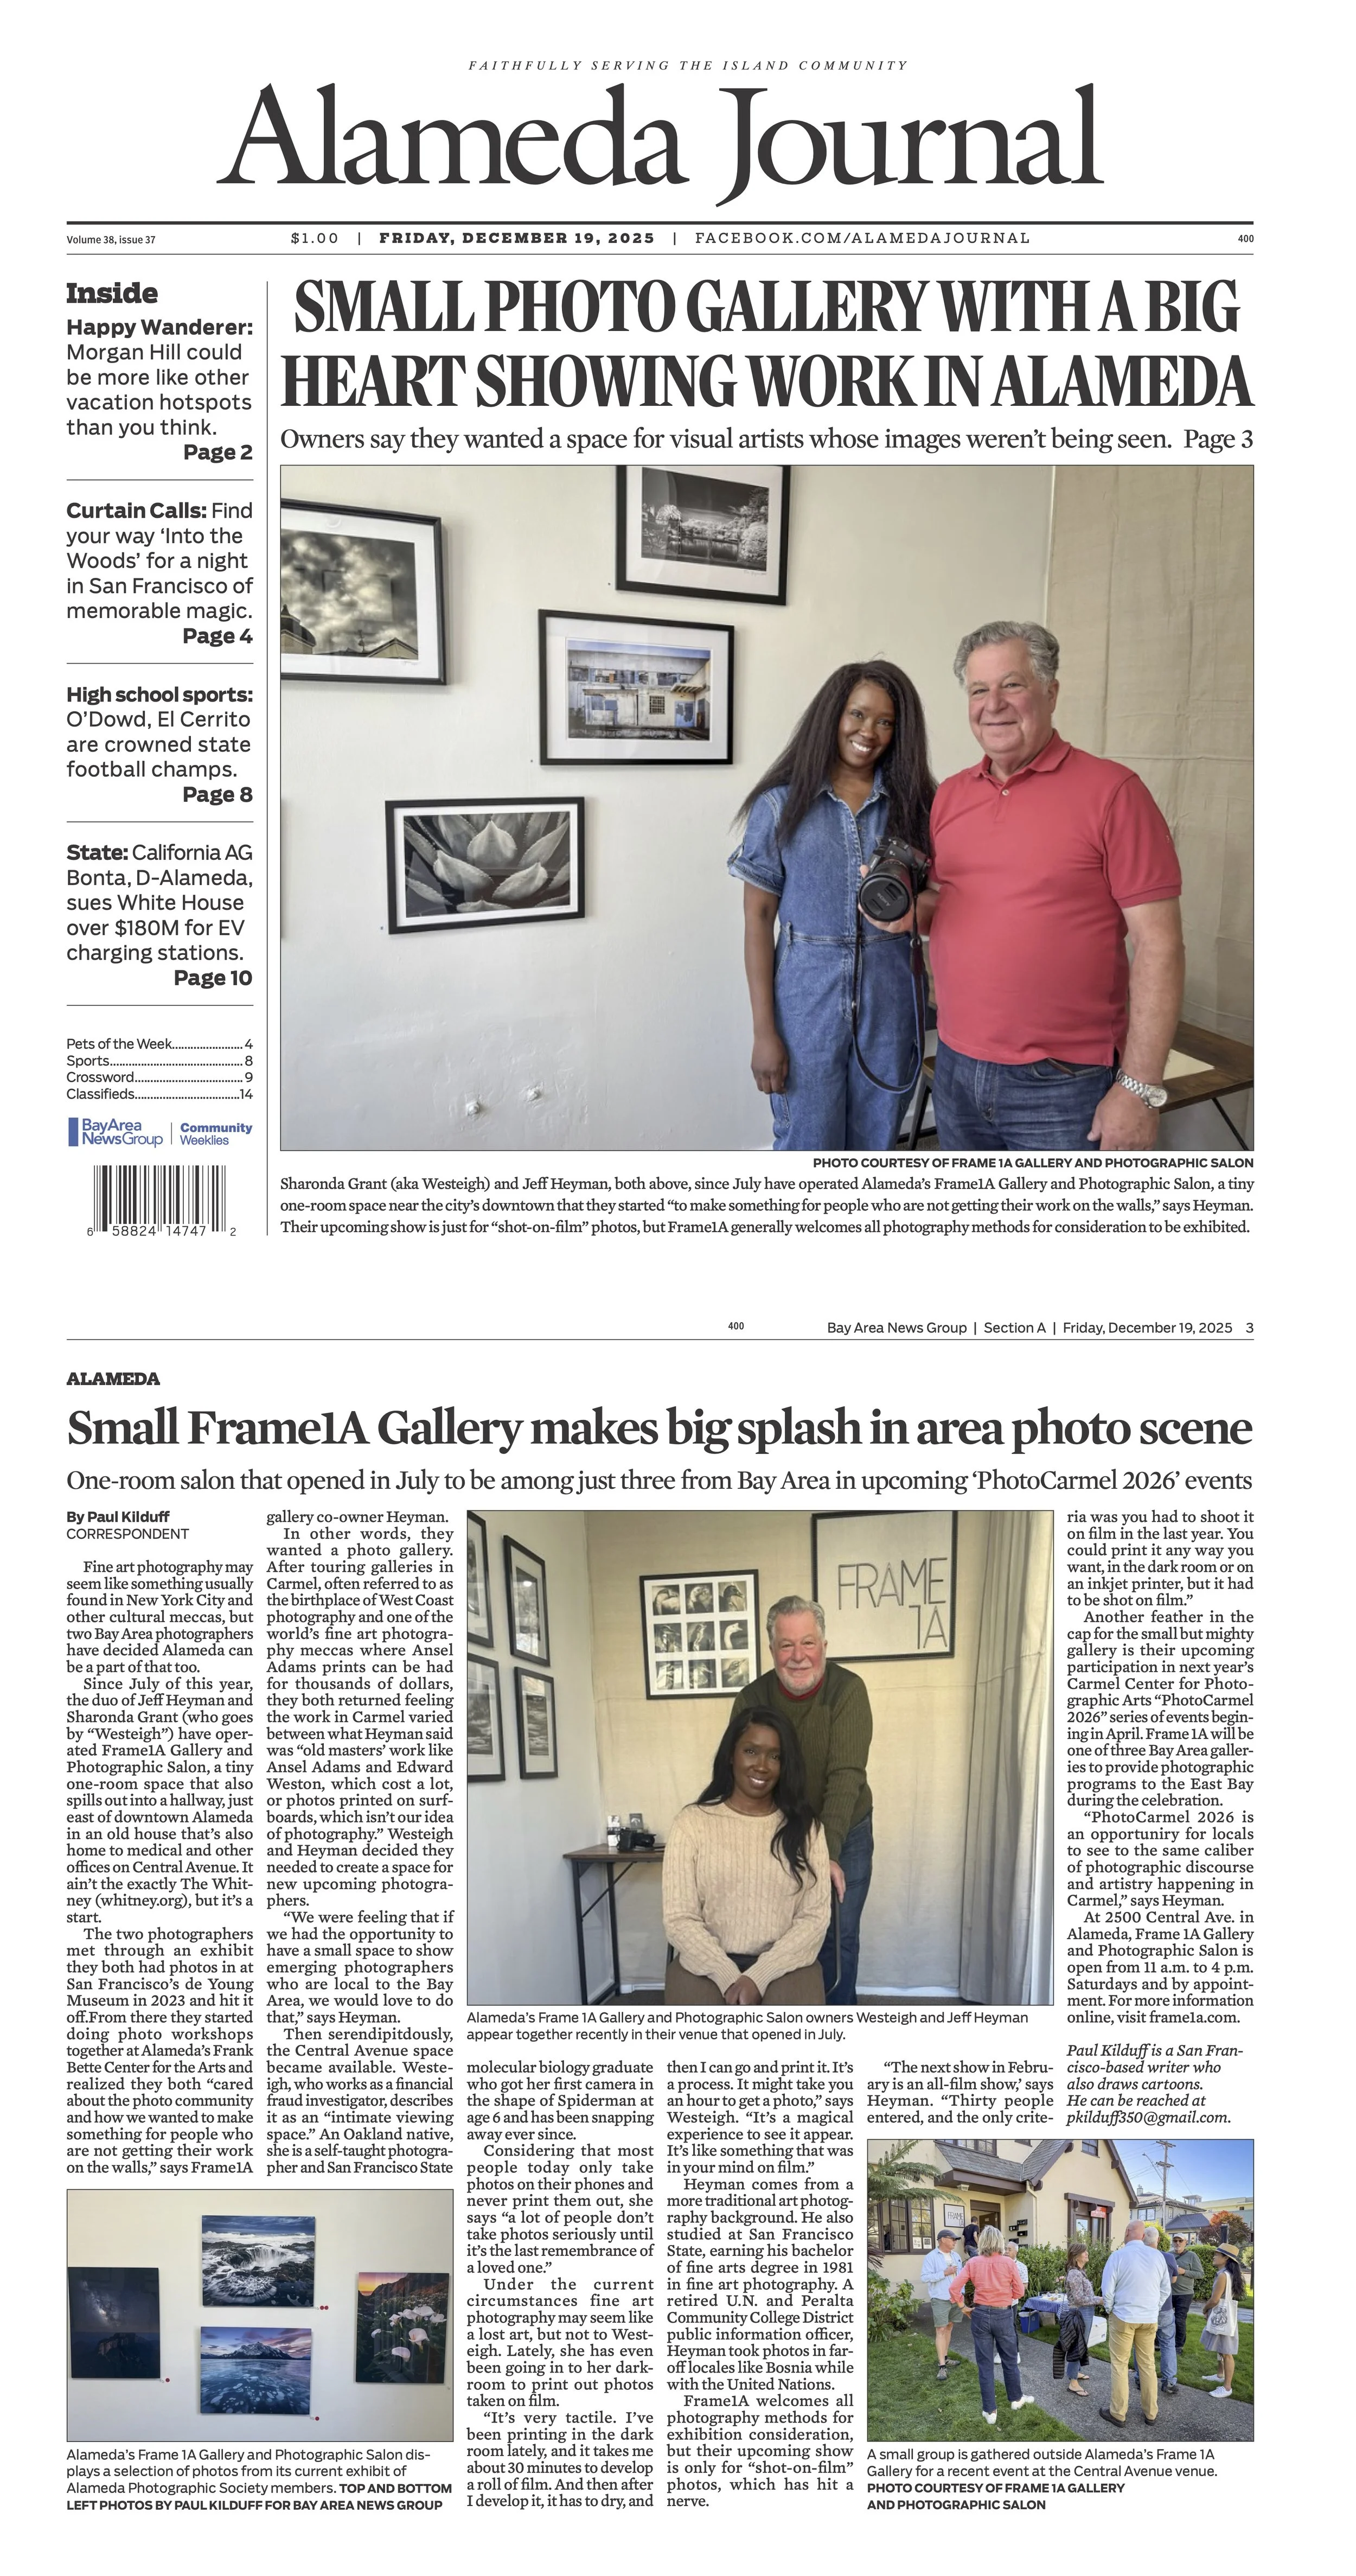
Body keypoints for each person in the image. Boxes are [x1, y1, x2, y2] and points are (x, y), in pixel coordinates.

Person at [878, 621, 1185, 1153]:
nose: (993, 704)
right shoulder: (950, 796)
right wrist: (906, 912)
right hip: (956, 1066)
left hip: (1064, 1081)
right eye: (979, 690)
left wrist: (1139, 1090)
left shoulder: (1114, 793)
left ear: (1051, 692)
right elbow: (947, 906)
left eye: (1012, 684)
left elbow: (1160, 945)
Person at [729, 660, 935, 1149]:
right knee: (808, 1144)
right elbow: (758, 918)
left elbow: (941, 895)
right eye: (857, 714)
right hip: (806, 1005)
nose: (869, 732)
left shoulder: (918, 805)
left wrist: (917, 907)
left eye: (886, 722)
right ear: (833, 715)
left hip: (891, 1005)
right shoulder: (780, 805)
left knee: (875, 1146)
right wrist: (764, 1033)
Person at [725, 1597, 873, 2004]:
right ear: (771, 1650)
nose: (798, 1656)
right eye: (786, 1645)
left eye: (808, 1643)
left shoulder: (848, 1691)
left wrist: (827, 1854)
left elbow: (845, 1778)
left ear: (824, 1645)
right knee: (778, 1934)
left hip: (844, 1828)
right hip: (779, 1829)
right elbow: (739, 1777)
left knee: (838, 1936)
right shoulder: (751, 1699)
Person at [662, 1708, 830, 2004]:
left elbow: (814, 1918)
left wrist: (760, 1975)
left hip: (785, 1961)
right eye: (751, 1751)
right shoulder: (691, 1823)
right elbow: (680, 1917)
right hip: (707, 1959)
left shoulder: (808, 1829)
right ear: (731, 1755)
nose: (762, 1766)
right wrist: (725, 1973)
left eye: (775, 1756)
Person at [948, 2227, 1034, 2428]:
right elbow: (1020, 2292)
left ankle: (990, 2411)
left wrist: (963, 2307)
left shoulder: (973, 2262)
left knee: (985, 2365)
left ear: (983, 2242)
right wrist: (1005, 2297)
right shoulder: (1008, 2262)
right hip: (1003, 2315)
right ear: (1000, 2243)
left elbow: (954, 2288)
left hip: (980, 2314)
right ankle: (1016, 2399)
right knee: (1010, 2360)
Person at [1098, 2220, 1173, 2430]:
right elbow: (1165, 2290)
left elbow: (1107, 2289)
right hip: (1149, 2318)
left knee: (1120, 2365)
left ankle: (1118, 2413)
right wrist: (1154, 2308)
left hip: (1123, 2316)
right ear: (1143, 2236)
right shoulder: (1157, 2257)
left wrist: (1110, 2309)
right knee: (1148, 2364)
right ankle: (1151, 2413)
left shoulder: (1118, 2256)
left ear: (1127, 2232)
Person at [918, 2229, 968, 2382]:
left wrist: (962, 2293)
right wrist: (944, 2273)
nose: (955, 2241)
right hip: (941, 2298)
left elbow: (961, 2277)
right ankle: (942, 2366)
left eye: (956, 2239)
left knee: (950, 2327)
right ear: (942, 2240)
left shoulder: (956, 2256)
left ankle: (945, 2358)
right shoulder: (931, 2257)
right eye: (952, 2239)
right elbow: (924, 2277)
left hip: (956, 2298)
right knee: (940, 2329)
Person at [1199, 2249, 1244, 2399]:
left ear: (1225, 2258)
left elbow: (1215, 2300)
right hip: (1225, 2319)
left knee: (1227, 2352)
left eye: (1217, 2255)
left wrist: (1205, 2309)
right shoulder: (1227, 2274)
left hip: (1223, 2320)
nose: (1214, 2257)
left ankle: (1227, 2387)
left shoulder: (1223, 2276)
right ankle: (1220, 2375)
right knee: (1222, 2348)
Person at [1054, 2242, 1097, 2395]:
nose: (1087, 2254)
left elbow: (1084, 2296)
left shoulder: (1080, 2272)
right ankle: (1073, 2382)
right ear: (1077, 2256)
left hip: (1085, 2311)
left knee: (1082, 2344)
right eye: (1085, 2252)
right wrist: (1100, 2300)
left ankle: (1076, 2372)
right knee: (1077, 2346)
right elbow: (1079, 2299)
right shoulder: (1074, 2274)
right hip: (1080, 2312)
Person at [1170, 2232, 1205, 2357]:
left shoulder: (1192, 2256)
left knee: (1179, 2319)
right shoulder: (1169, 2255)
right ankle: (1160, 2343)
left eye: (1180, 2241)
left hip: (1185, 2294)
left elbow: (1200, 2274)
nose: (1178, 2243)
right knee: (1165, 2318)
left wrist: (1185, 2272)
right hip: (1169, 2293)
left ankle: (1179, 2346)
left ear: (1186, 2242)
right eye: (1175, 2241)